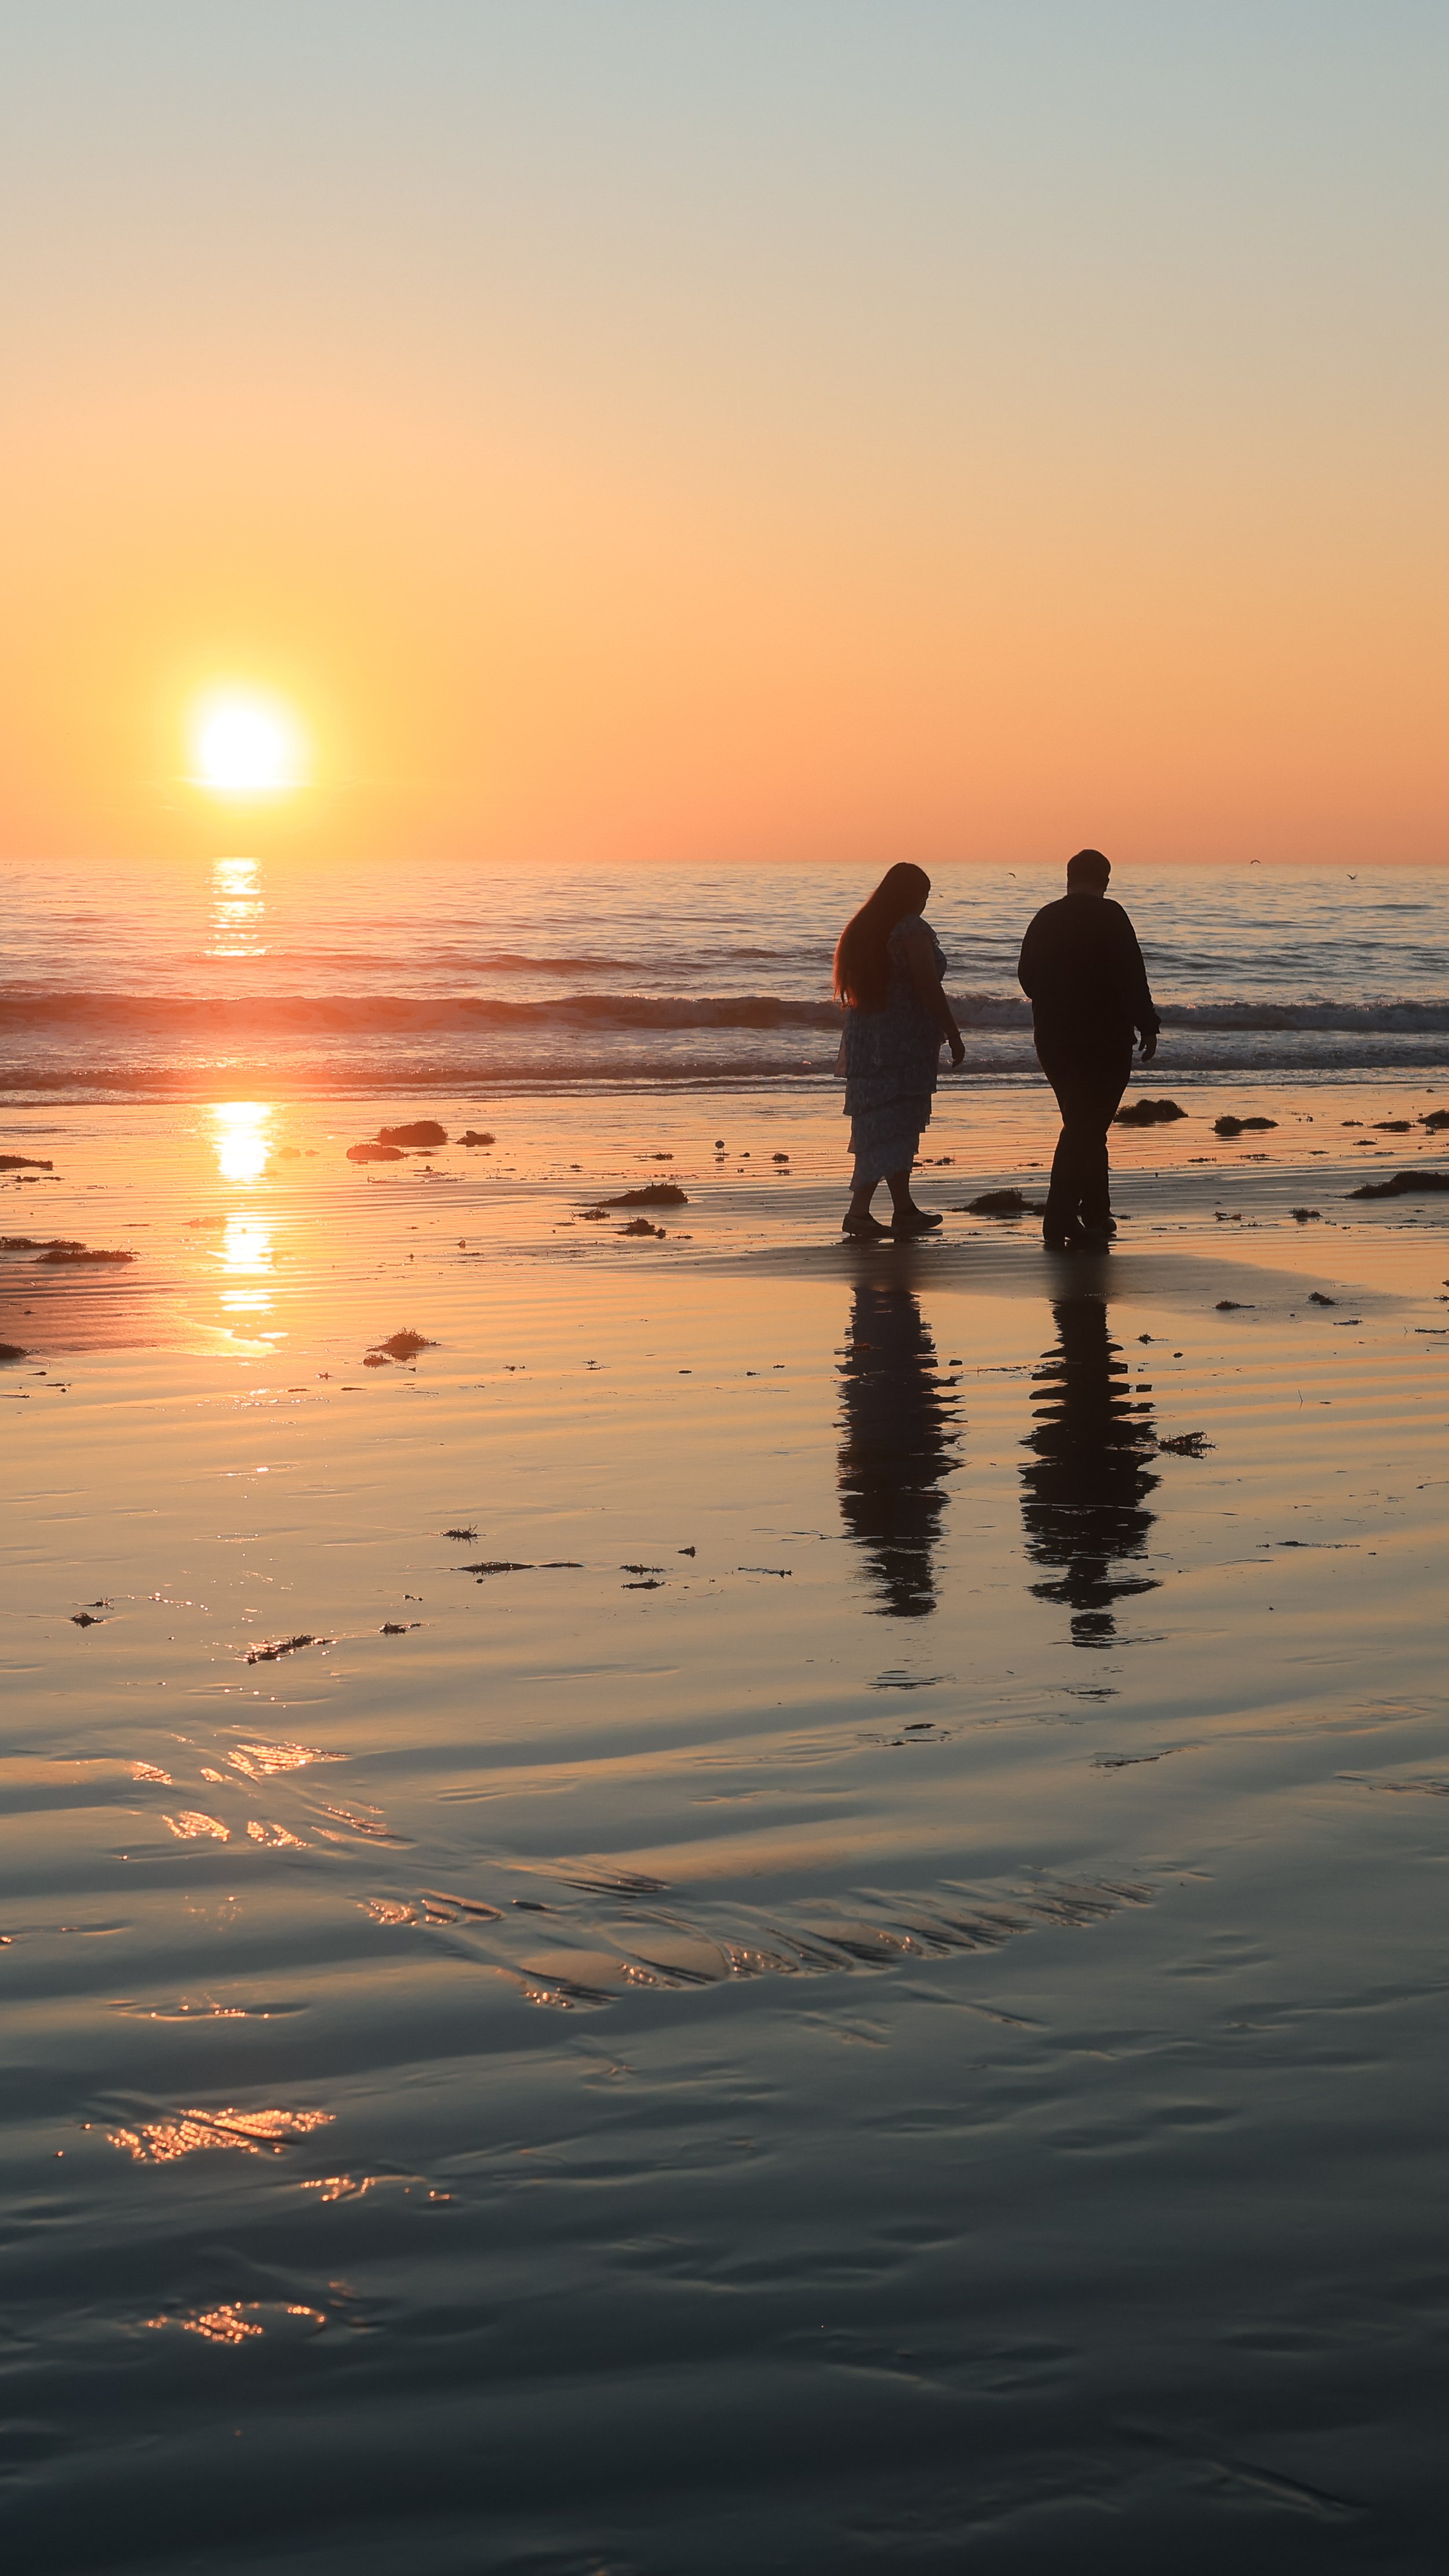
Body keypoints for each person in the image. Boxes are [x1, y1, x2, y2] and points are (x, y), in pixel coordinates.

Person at [1017, 848, 1159, 1251]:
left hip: (1055, 1039)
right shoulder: (1112, 916)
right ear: (1106, 880)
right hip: (1105, 1039)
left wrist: (1055, 1001)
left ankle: (1096, 1210)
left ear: (1068, 877)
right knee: (1087, 1127)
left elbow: (1027, 977)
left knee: (1085, 1124)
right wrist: (1147, 1024)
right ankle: (1059, 1215)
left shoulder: (1045, 917)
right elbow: (1133, 975)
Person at [833, 862, 965, 1239]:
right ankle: (859, 1212)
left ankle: (903, 1209)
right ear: (910, 895)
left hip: (868, 1038)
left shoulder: (864, 929)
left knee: (882, 1122)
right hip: (902, 1039)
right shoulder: (910, 928)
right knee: (895, 1121)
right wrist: (953, 1033)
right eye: (924, 894)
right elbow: (926, 984)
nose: (925, 902)